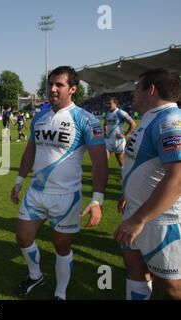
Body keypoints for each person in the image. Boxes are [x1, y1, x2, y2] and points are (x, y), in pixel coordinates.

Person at [11, 66, 108, 300]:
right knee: (23, 238)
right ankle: (36, 276)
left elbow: (100, 163)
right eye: (50, 84)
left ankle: (60, 293)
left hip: (66, 196)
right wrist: (19, 180)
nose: (52, 89)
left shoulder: (86, 120)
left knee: (61, 247)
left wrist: (97, 200)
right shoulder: (39, 117)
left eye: (59, 85)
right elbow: (30, 152)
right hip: (36, 192)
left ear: (72, 89)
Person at [114, 68, 181, 300]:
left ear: (151, 90)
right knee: (135, 271)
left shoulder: (171, 121)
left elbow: (177, 178)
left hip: (160, 221)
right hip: (136, 211)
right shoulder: (151, 117)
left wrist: (140, 219)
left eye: (136, 87)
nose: (132, 92)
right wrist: (128, 195)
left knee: (172, 288)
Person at [104, 97, 136, 174]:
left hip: (118, 141)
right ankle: (101, 177)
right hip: (108, 140)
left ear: (115, 104)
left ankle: (124, 175)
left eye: (110, 103)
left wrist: (125, 135)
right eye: (108, 103)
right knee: (104, 160)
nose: (108, 105)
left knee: (120, 160)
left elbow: (133, 124)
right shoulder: (107, 113)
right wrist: (105, 132)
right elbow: (105, 123)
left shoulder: (120, 113)